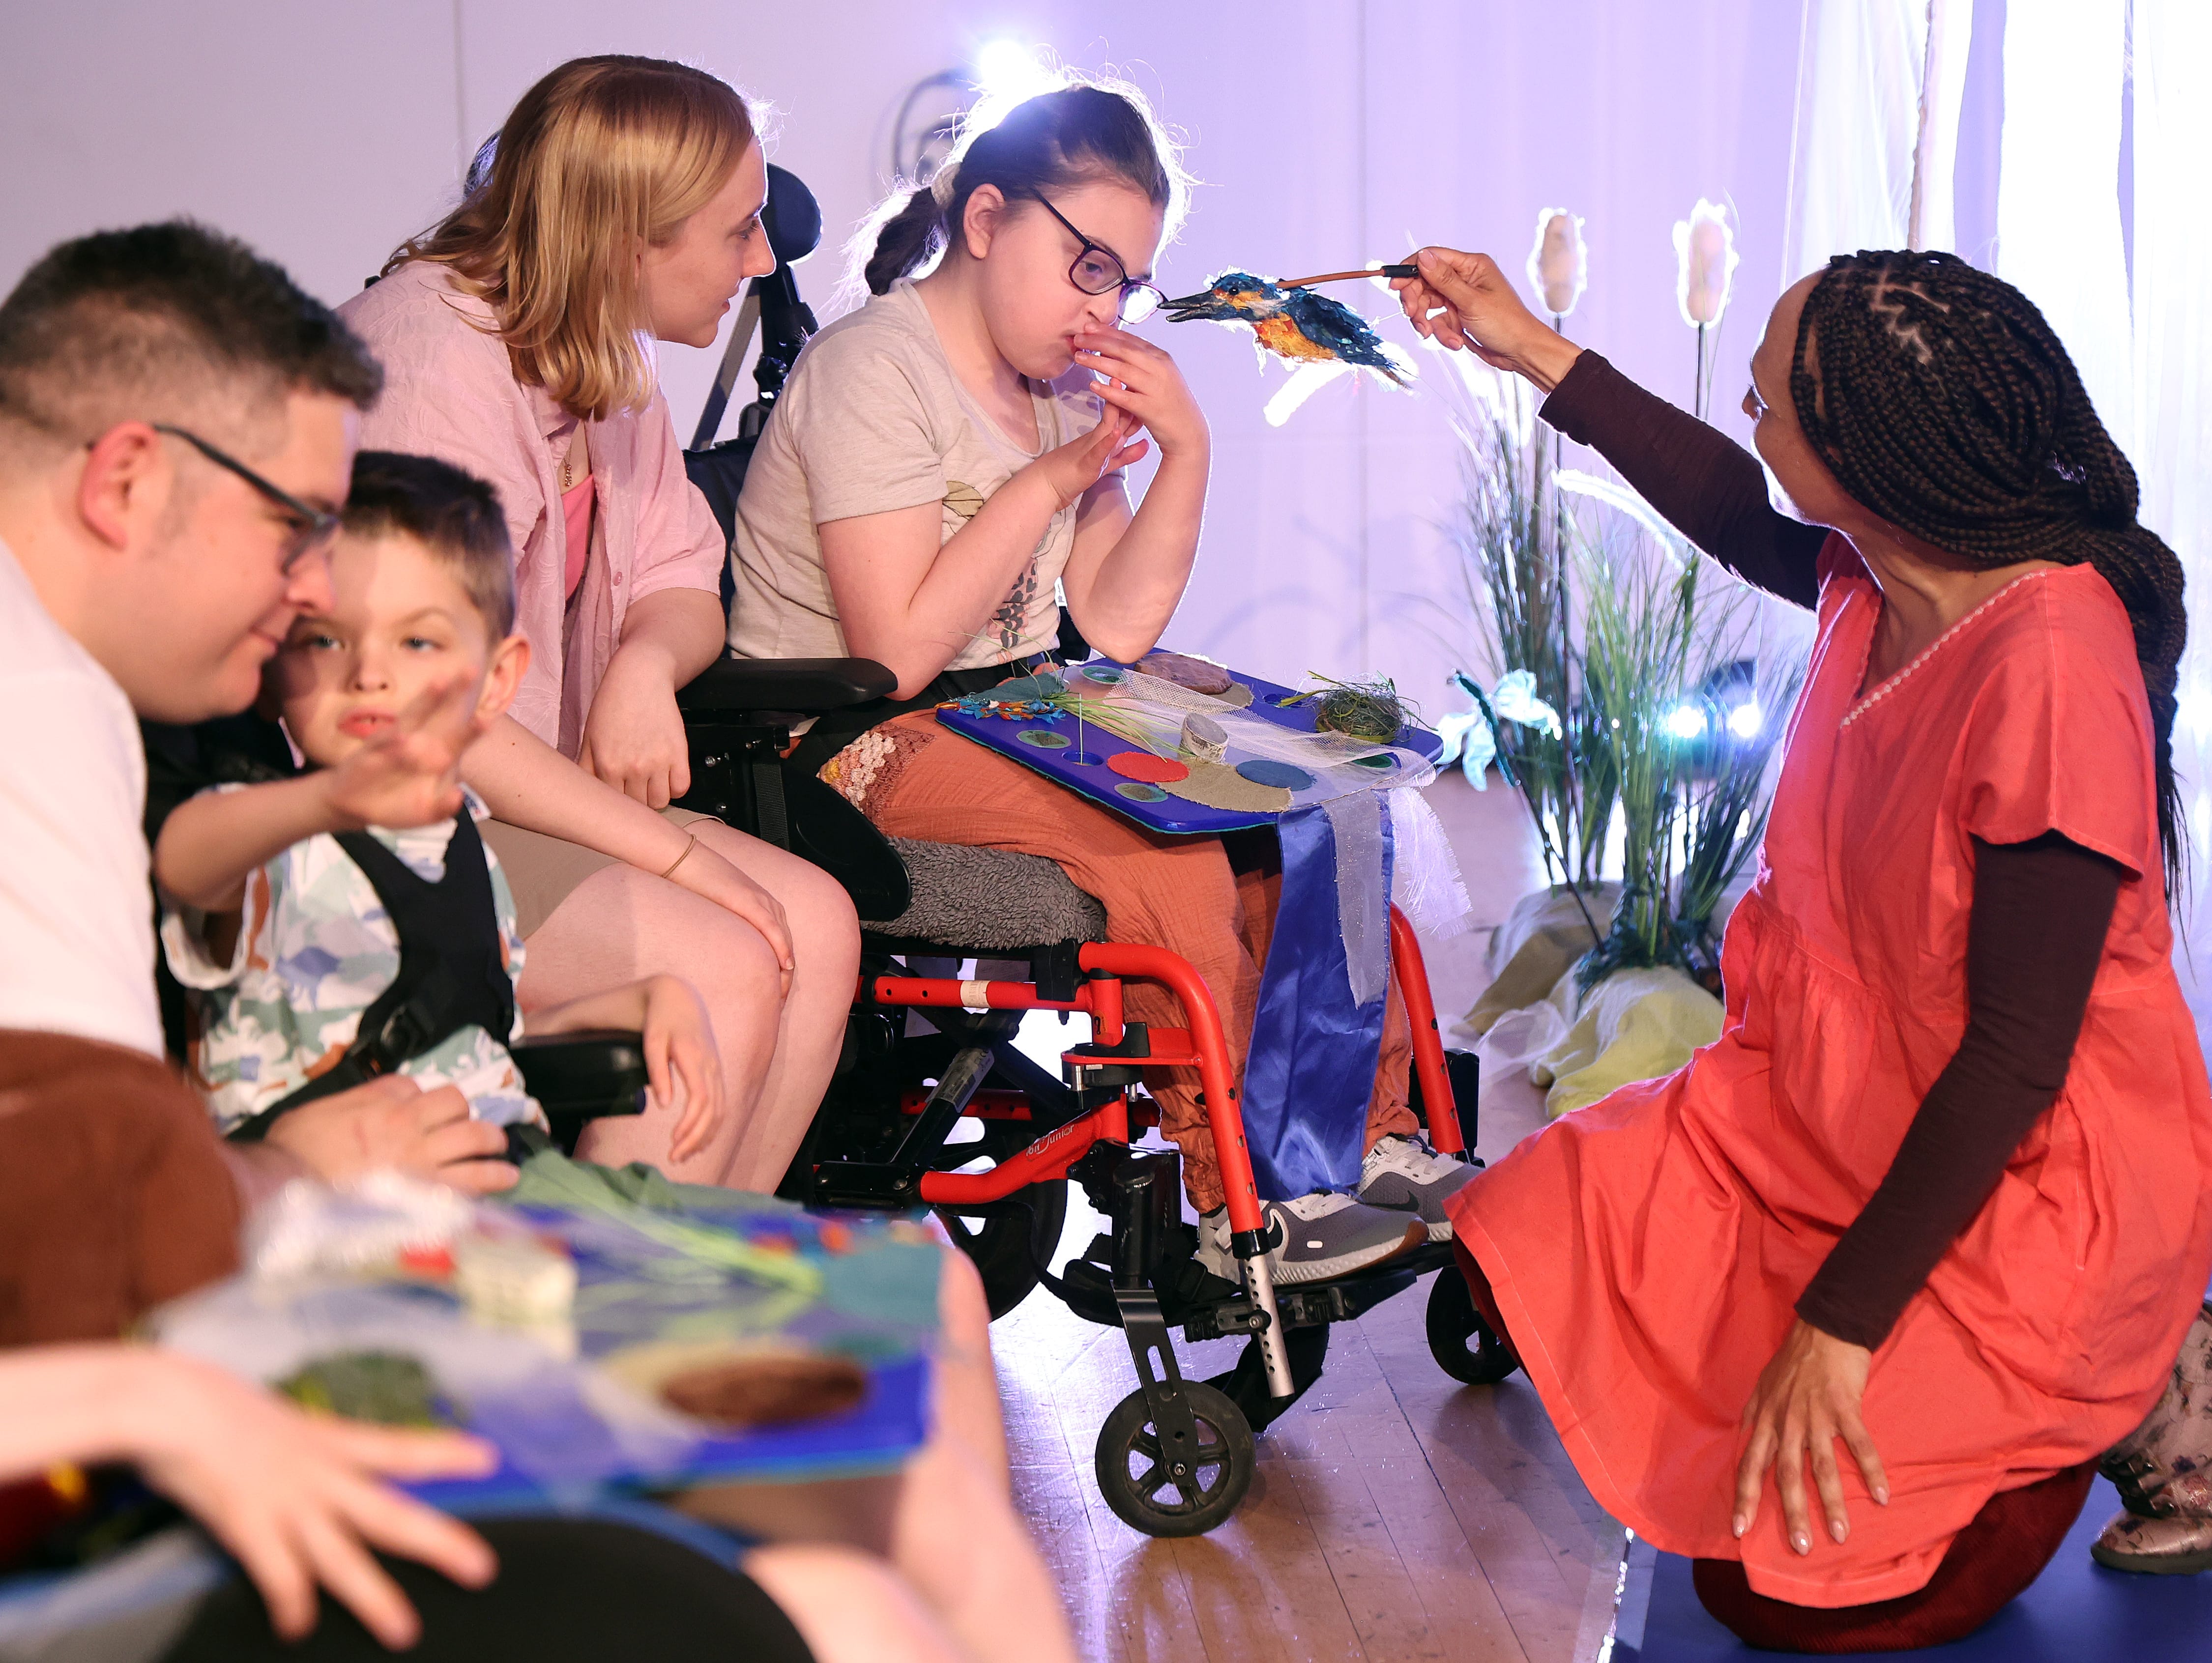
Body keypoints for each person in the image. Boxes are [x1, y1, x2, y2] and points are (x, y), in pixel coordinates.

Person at [0, 222, 1074, 1663]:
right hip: (249, 1350)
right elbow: (102, 1218)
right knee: (857, 1590)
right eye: (289, 535)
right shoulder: (67, 722)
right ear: (128, 481)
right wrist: (272, 1185)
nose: (306, 596)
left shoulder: (104, 703)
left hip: (286, 1291)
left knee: (910, 1433)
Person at [1390, 244, 2212, 1652]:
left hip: (2026, 1174)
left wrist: (1839, 1326)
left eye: (1771, 397)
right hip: (1816, 1110)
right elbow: (1740, 515)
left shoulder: (2048, 663)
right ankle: (2021, 1371)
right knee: (1518, 1245)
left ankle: (2136, 1364)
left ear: (1855, 457)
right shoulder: (1880, 569)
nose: (1748, 409)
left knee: (1790, 1604)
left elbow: (2018, 1057)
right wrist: (1532, 346)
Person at [728, 80, 1470, 1282]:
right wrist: (1048, 482)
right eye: (1088, 265)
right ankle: (1243, 1204)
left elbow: (1112, 623)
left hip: (1013, 706)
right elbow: (898, 649)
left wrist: (1187, 448)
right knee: (1167, 852)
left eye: (1122, 281)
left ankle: (1363, 1139)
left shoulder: (1061, 383)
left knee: (1313, 795)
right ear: (984, 221)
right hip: (860, 741)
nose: (1105, 307)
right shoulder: (875, 370)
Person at [338, 56, 859, 1191]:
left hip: (510, 798)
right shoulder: (428, 368)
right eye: (739, 231)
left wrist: (639, 670)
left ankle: (705, 1303)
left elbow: (683, 579)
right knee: (724, 957)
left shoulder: (599, 351)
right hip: (384, 825)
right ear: (631, 239)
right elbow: (422, 719)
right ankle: (613, 1348)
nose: (762, 260)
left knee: (816, 926)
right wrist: (679, 856)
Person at [152, 452, 724, 1159]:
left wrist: (634, 1004)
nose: (369, 675)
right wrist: (327, 801)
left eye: (416, 641)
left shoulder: (459, 845)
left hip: (480, 1177)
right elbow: (182, 861)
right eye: (324, 641)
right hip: (325, 1210)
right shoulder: (269, 838)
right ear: (276, 663)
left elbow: (471, 1050)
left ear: (496, 680)